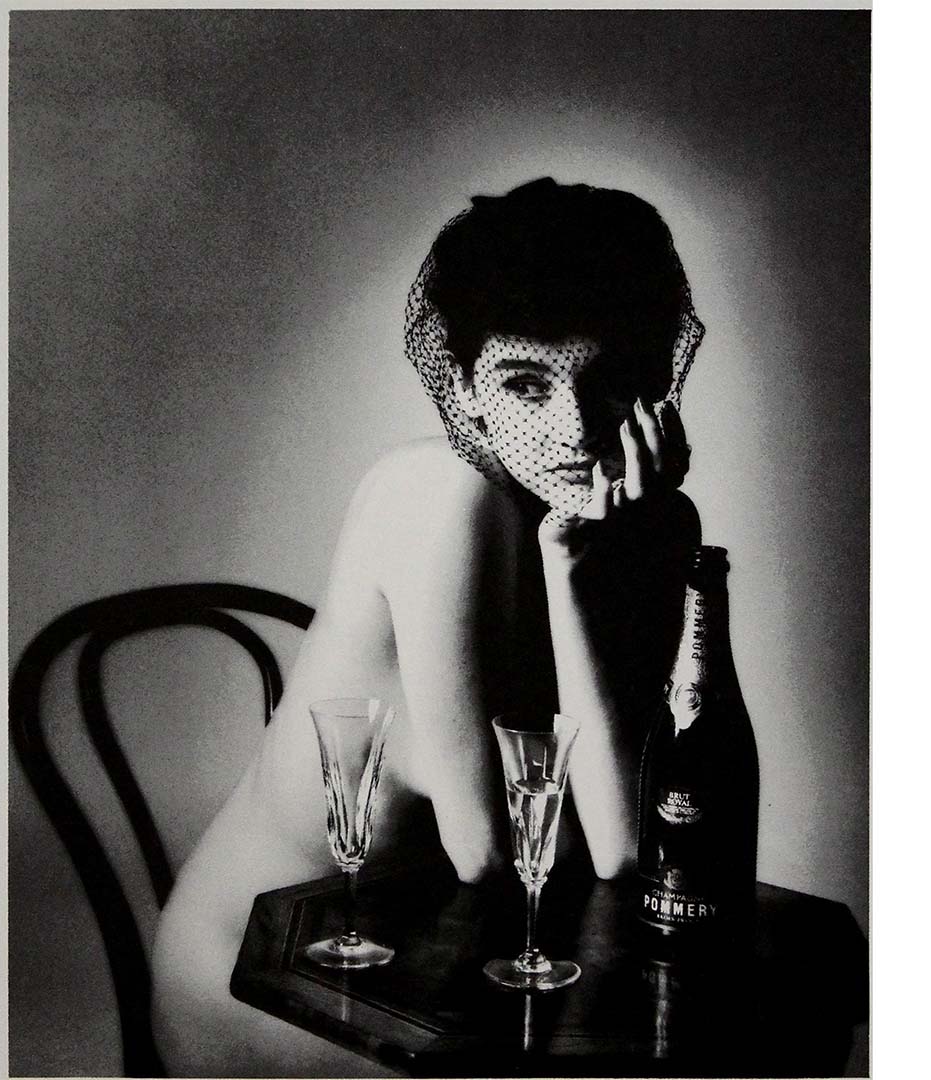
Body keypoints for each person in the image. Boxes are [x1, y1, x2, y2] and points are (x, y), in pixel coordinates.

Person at [151, 177, 704, 1076]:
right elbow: (491, 855)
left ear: (653, 383)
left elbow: (623, 853)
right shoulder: (442, 498)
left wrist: (582, 568)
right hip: (272, 975)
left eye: (606, 381)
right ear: (465, 388)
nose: (571, 428)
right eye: (525, 384)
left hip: (435, 973)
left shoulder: (640, 523)